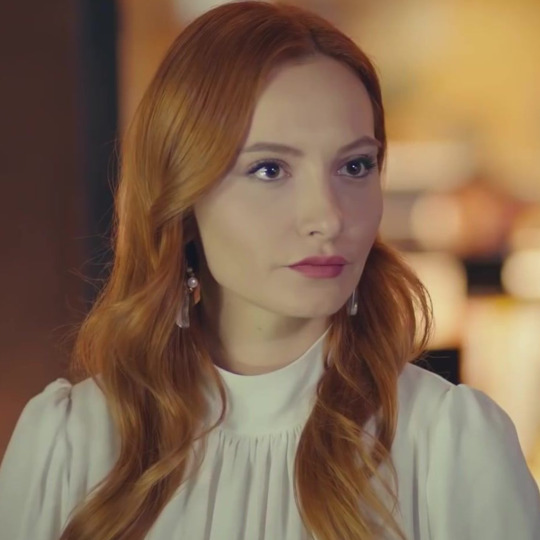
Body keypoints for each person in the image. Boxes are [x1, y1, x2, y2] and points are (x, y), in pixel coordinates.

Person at [0, 2, 539, 539]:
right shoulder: (67, 445)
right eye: (269, 169)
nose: (328, 217)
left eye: (355, 166)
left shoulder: (451, 444)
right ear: (182, 198)